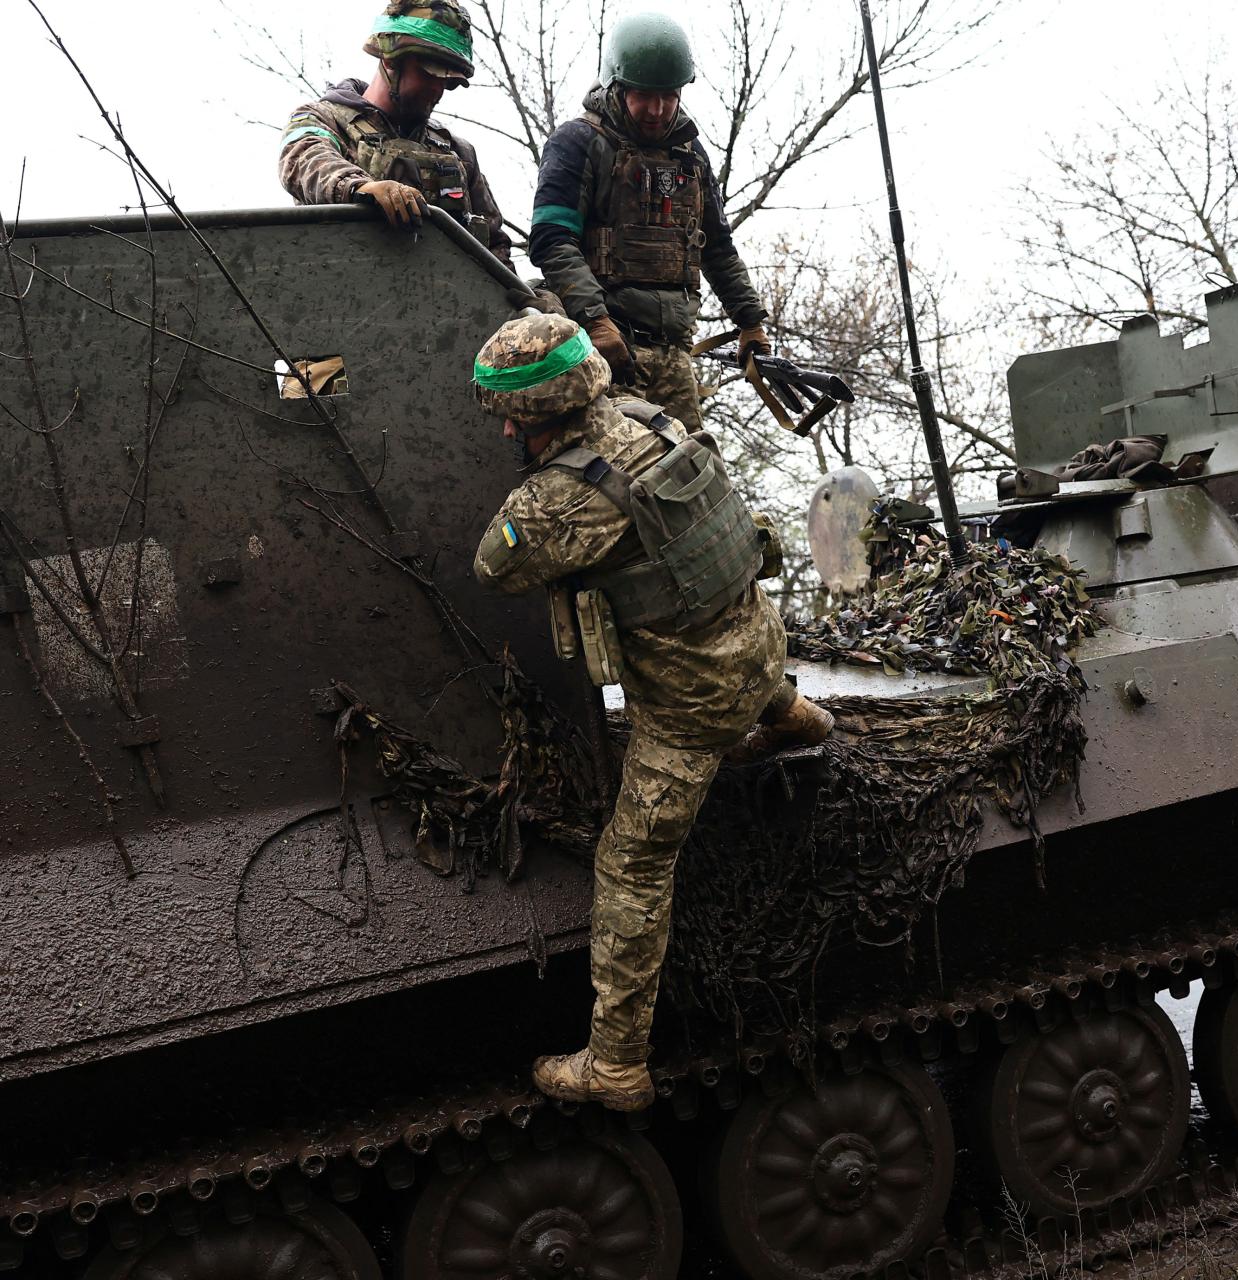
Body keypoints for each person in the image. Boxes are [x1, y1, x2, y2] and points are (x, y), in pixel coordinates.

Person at [470, 314, 832, 1110]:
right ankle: (797, 717)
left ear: (550, 410)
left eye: (515, 415)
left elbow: (493, 567)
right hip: (761, 645)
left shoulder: (562, 497)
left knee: (632, 864)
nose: (504, 427)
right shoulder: (648, 415)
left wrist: (527, 498)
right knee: (719, 632)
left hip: (692, 706)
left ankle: (617, 1062)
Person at [527, 12, 769, 428]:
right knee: (616, 474)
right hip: (603, 348)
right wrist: (596, 323)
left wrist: (750, 323)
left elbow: (717, 247)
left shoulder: (690, 155)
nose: (658, 110)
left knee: (689, 475)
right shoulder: (578, 142)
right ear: (617, 88)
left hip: (674, 354)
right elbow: (552, 239)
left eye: (669, 95)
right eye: (644, 95)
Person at [279, 1, 512, 260]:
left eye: (448, 82)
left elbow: (495, 250)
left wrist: (530, 299)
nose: (438, 90)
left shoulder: (459, 153)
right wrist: (361, 187)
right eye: (429, 73)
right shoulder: (322, 120)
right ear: (390, 59)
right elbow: (305, 160)